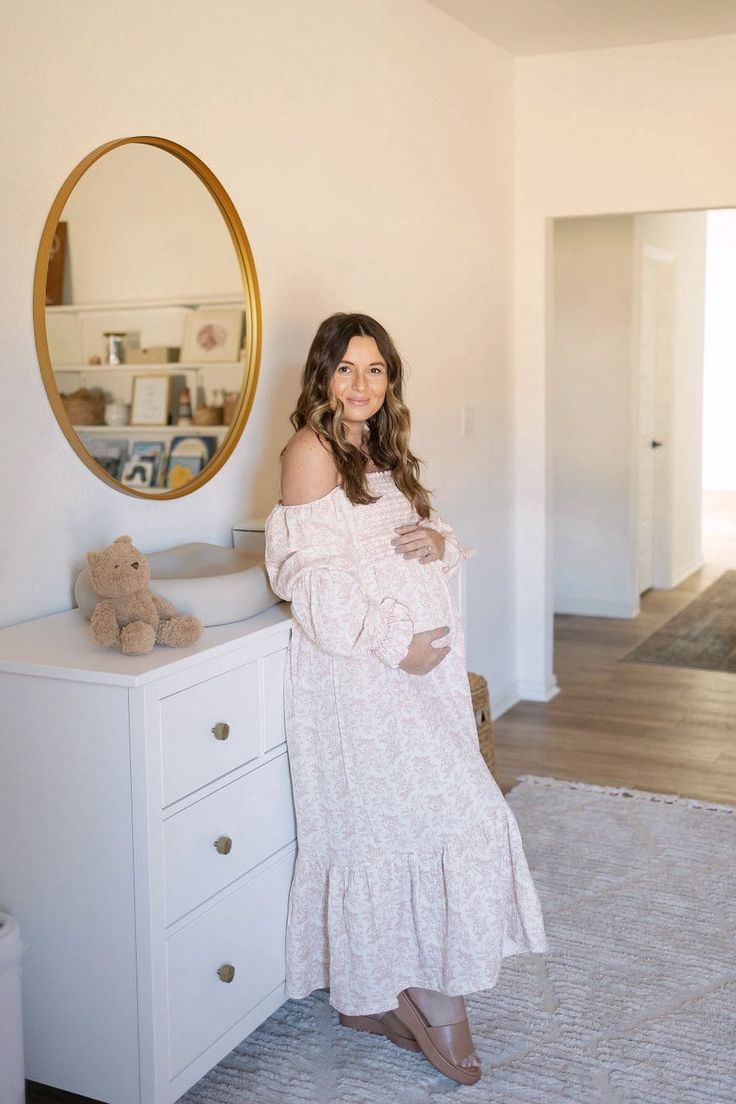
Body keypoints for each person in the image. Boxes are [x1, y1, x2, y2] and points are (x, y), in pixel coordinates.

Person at [264, 313, 548, 1085]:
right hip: (359, 681)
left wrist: (438, 541)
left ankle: (371, 993)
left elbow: (400, 536)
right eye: (347, 369)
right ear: (322, 375)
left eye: (376, 370)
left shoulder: (376, 447)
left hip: (418, 685)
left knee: (446, 820)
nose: (361, 385)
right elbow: (309, 581)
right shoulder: (310, 451)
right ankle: (435, 1006)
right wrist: (399, 646)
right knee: (437, 821)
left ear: (391, 379)